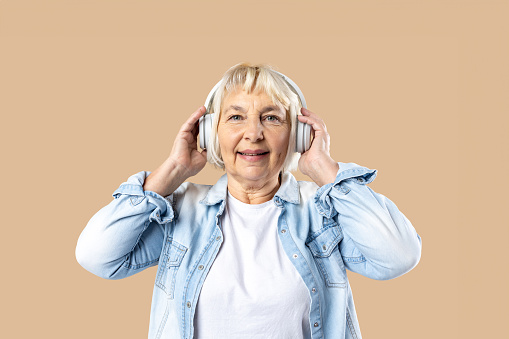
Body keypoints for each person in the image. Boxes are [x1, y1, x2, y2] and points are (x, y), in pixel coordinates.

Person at [75, 62, 422, 339]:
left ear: (298, 136)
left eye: (271, 117)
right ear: (210, 134)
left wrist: (326, 170)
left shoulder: (323, 211)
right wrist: (172, 171)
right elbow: (97, 256)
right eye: (236, 117)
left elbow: (399, 255)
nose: (253, 133)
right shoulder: (180, 213)